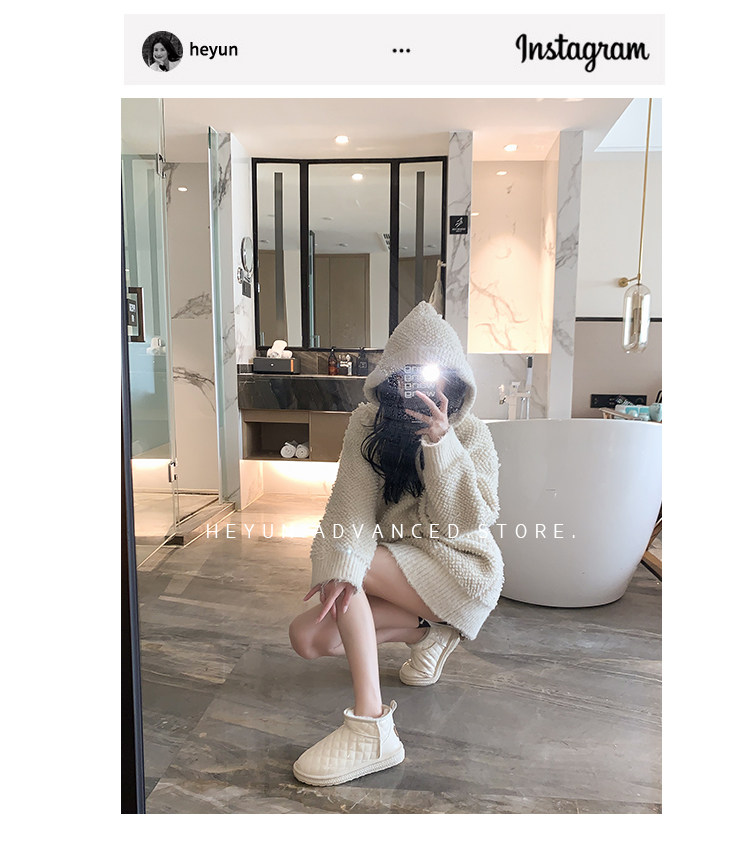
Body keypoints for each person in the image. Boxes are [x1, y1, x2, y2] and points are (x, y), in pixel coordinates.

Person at [288, 300, 504, 786]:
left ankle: (372, 727)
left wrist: (441, 443)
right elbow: (351, 506)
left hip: (461, 567)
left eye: (435, 378)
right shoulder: (367, 425)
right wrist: (339, 565)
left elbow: (467, 519)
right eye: (409, 376)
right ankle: (430, 631)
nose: (422, 388)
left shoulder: (471, 432)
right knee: (309, 637)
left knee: (355, 566)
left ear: (454, 382)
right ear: (390, 379)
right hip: (400, 567)